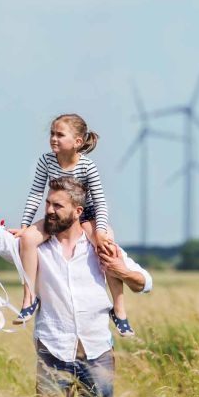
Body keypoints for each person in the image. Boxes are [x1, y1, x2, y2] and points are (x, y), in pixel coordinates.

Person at [0, 176, 152, 397]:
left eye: (58, 206)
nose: (49, 211)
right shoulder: (32, 248)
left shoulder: (99, 246)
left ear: (78, 211)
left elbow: (144, 283)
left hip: (98, 354)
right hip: (53, 352)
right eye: (48, 204)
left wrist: (121, 271)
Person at [12, 113, 135, 336]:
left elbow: (99, 200)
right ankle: (29, 298)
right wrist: (24, 224)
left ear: (77, 142)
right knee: (28, 239)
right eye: (52, 134)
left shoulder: (87, 166)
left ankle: (119, 309)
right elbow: (35, 194)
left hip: (85, 215)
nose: (54, 139)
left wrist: (99, 232)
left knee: (107, 246)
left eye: (60, 135)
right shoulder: (46, 161)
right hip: (57, 215)